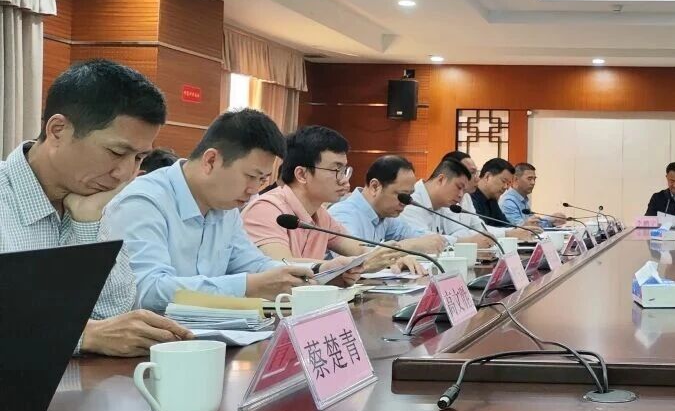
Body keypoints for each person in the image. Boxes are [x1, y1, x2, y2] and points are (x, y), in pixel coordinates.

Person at [1, 59, 192, 356]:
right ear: (58, 130)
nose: (125, 173)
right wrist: (80, 335)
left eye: (139, 157)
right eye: (116, 152)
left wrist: (88, 222)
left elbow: (115, 315)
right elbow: (100, 332)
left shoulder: (92, 199)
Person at [103, 109, 316, 311]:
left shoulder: (226, 206)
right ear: (211, 160)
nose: (253, 190)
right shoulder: (144, 201)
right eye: (251, 176)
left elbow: (253, 264)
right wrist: (247, 287)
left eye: (261, 180)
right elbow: (146, 290)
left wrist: (313, 272)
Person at [240, 125, 411, 277]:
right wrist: (352, 266)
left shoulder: (320, 214)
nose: (344, 180)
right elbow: (281, 266)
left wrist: (393, 258)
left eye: (345, 170)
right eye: (336, 170)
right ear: (302, 174)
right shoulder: (266, 209)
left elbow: (359, 250)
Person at [328, 155, 449, 255]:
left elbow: (418, 236)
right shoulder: (343, 214)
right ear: (375, 187)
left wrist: (438, 241)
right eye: (402, 196)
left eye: (409, 196)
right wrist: (409, 246)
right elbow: (354, 256)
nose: (405, 203)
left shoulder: (385, 216)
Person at [396, 156, 493, 246]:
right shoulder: (411, 201)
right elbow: (424, 240)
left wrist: (471, 240)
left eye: (463, 190)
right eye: (459, 187)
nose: (460, 195)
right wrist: (466, 242)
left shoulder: (444, 203)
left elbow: (459, 230)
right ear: (441, 180)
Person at [500, 162, 567, 228]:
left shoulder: (523, 200)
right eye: (529, 179)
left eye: (534, 179)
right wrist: (550, 220)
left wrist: (553, 220)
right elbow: (521, 228)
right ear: (516, 179)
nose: (533, 183)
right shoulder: (508, 202)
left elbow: (534, 223)